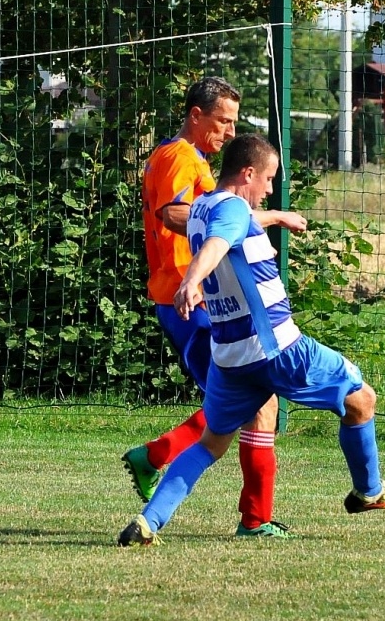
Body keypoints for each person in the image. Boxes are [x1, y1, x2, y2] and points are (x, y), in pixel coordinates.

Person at [118, 133, 385, 546]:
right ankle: (369, 491)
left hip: (230, 359)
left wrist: (278, 216)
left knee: (210, 444)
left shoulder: (202, 208)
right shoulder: (233, 209)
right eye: (268, 179)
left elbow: (231, 229)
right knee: (362, 399)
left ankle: (148, 522)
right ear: (248, 173)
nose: (269, 189)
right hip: (277, 348)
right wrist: (191, 280)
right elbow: (221, 242)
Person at [123, 77, 300, 539]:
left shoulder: (187, 158)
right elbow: (177, 214)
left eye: (233, 123)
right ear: (196, 116)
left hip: (192, 295)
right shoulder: (179, 157)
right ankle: (250, 518)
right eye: (222, 121)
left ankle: (162, 460)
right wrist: (254, 227)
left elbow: (219, 216)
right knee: (253, 403)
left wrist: (251, 225)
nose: (228, 131)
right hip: (191, 298)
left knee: (245, 402)